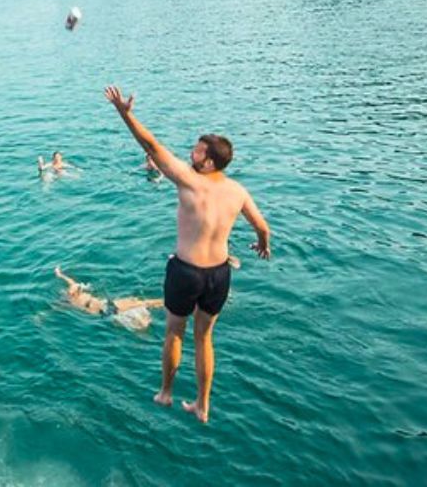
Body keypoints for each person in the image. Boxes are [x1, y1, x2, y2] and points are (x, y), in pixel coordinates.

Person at [104, 85, 271, 424]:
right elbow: (263, 227)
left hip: (186, 272)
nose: (191, 154)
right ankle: (202, 405)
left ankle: (166, 393)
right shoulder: (238, 191)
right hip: (219, 275)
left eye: (196, 152)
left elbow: (150, 145)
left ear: (208, 161)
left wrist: (125, 113)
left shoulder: (188, 180)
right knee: (205, 337)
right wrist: (263, 245)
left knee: (174, 332)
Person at [54, 266, 163, 331]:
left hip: (105, 308)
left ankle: (165, 305)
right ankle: (167, 304)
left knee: (137, 304)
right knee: (140, 308)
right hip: (105, 309)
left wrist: (59, 274)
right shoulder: (71, 300)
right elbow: (55, 308)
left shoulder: (73, 296)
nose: (70, 290)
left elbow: (69, 281)